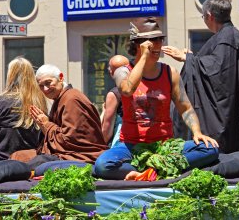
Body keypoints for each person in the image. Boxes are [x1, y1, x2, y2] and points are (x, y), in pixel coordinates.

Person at [94, 17, 219, 180]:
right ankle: (154, 170)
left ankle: (151, 171)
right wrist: (144, 57)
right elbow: (127, 90)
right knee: (102, 165)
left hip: (165, 147)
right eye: (152, 40)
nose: (158, 44)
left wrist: (197, 132)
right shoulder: (122, 71)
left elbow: (185, 107)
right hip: (130, 146)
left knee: (210, 149)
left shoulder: (170, 73)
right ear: (137, 44)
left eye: (159, 39)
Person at [162, 0, 239, 154]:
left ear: (210, 16)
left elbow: (218, 71)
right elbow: (216, 64)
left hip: (223, 119)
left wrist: (187, 58)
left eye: (203, 17)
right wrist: (193, 59)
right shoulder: (229, 35)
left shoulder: (227, 37)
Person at [29, 64, 108, 169]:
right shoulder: (61, 99)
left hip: (80, 156)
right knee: (18, 157)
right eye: (41, 86)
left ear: (61, 78)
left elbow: (70, 141)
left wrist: (46, 124)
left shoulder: (72, 100)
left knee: (20, 160)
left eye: (48, 83)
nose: (46, 89)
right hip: (65, 154)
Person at [102, 55, 129, 147]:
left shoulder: (114, 94)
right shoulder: (140, 88)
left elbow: (107, 127)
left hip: (122, 140)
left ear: (111, 72)